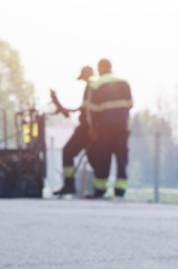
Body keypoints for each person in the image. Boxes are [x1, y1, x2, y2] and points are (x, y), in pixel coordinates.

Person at [86, 59, 133, 198]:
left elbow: (91, 109)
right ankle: (120, 191)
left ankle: (100, 190)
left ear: (100, 68)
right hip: (122, 126)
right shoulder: (124, 81)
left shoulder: (95, 84)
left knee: (102, 159)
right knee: (121, 159)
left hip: (104, 128)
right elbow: (130, 104)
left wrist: (92, 127)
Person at [51, 66, 96, 196]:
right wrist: (70, 110)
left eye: (84, 77)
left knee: (68, 151)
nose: (83, 80)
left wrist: (92, 127)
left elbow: (90, 110)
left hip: (87, 128)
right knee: (94, 158)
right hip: (90, 127)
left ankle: (69, 184)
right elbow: (85, 108)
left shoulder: (92, 86)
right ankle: (99, 189)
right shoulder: (92, 87)